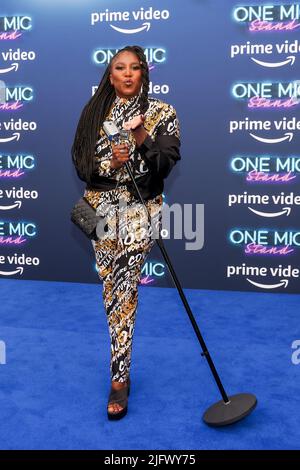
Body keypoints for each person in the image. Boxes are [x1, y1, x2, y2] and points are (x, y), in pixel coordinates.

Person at [71, 45, 181, 420]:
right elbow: (80, 163)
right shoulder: (94, 112)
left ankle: (119, 377)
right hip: (100, 209)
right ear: (110, 74)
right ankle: (120, 356)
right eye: (120, 68)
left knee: (124, 284)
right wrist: (110, 161)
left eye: (135, 68)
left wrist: (141, 139)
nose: (128, 74)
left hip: (140, 209)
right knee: (111, 288)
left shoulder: (162, 112)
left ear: (144, 74)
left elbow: (165, 164)